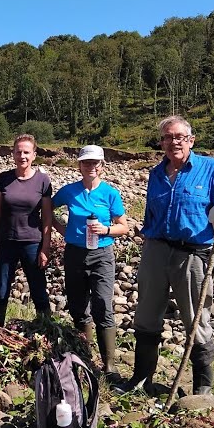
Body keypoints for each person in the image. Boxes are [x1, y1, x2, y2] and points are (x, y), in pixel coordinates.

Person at [114, 115, 214, 397]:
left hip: (192, 253)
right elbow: (151, 211)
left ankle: (202, 389)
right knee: (146, 314)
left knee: (196, 319)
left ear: (191, 140)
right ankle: (141, 380)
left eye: (179, 137)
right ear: (162, 142)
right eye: (167, 137)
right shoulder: (156, 173)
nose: (173, 142)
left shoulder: (212, 169)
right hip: (156, 248)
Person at [52, 145, 127, 376]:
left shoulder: (110, 194)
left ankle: (109, 366)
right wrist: (62, 230)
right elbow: (47, 209)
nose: (91, 167)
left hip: (102, 255)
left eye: (95, 163)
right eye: (86, 162)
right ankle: (84, 356)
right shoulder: (69, 191)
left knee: (103, 306)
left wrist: (105, 229)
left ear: (102, 166)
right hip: (75, 253)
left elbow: (124, 227)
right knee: (77, 306)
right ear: (79, 166)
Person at [0, 133, 53, 326]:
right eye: (18, 152)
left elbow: (47, 216)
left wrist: (45, 248)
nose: (22, 156)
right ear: (13, 154)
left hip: (32, 243)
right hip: (5, 242)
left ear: (34, 155)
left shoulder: (43, 181)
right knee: (0, 291)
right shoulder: (3, 179)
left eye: (26, 152)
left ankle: (47, 329)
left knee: (38, 290)